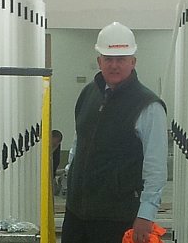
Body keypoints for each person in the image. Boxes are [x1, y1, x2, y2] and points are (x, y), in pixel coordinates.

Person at [61, 22, 168, 243]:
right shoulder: (89, 94)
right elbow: (78, 143)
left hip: (118, 217)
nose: (114, 65)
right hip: (77, 214)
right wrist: (71, 179)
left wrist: (145, 215)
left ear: (133, 62)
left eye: (121, 59)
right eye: (108, 59)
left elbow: (155, 167)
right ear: (99, 61)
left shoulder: (148, 106)